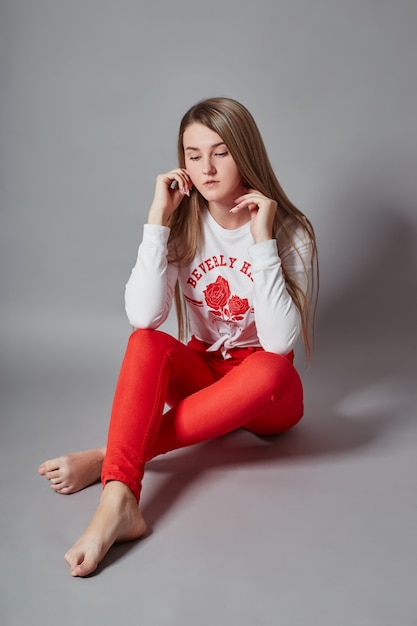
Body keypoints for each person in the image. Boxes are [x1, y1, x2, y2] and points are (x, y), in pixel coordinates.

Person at [39, 97, 318, 577]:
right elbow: (143, 317)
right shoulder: (183, 224)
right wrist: (156, 220)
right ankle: (119, 500)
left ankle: (113, 457)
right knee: (144, 343)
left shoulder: (291, 233)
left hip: (268, 394)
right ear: (182, 161)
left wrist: (263, 241)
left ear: (245, 153)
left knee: (271, 365)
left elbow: (277, 344)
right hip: (204, 374)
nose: (206, 168)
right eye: (193, 154)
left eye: (221, 152)